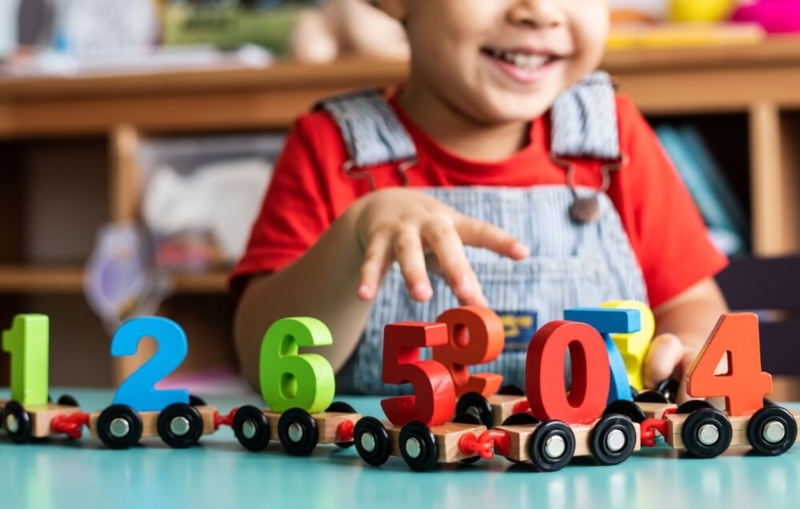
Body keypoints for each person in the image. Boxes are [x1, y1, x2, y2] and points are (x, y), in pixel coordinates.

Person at [231, 0, 729, 401]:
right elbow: (261, 360)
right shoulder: (331, 146)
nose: (540, 11)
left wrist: (685, 349)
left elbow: (692, 304)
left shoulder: (613, 140)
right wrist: (356, 236)